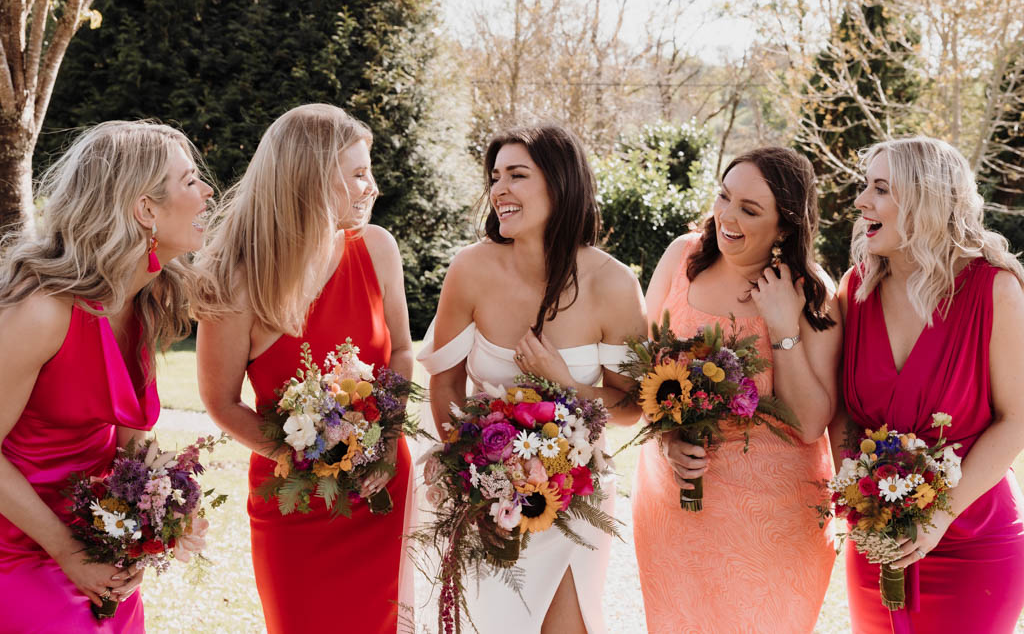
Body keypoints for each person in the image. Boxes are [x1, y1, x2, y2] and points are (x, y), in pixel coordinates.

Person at [192, 104, 415, 634]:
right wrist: (310, 460)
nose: (373, 187)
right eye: (359, 173)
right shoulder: (235, 279)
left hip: (380, 491)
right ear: (310, 178)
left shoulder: (378, 248)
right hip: (293, 506)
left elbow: (403, 352)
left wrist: (384, 442)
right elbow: (221, 402)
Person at [417, 125, 646, 634]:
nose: (500, 189)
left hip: (577, 493)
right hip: (486, 492)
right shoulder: (470, 269)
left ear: (560, 185)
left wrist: (565, 382)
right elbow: (446, 385)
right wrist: (474, 481)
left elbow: (634, 404)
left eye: (517, 175)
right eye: (495, 177)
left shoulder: (613, 283)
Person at [0, 121, 213, 632]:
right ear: (146, 210)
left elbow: (131, 441)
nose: (207, 191)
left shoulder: (142, 298)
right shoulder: (44, 312)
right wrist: (70, 552)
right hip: (18, 553)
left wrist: (163, 515)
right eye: (189, 181)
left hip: (95, 551)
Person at [633, 147, 840, 632]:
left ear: (785, 226)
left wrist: (782, 326)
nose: (727, 216)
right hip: (675, 506)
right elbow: (641, 366)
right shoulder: (683, 256)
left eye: (749, 209)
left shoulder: (814, 293)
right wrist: (666, 436)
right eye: (724, 197)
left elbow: (811, 422)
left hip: (774, 521)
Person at [834, 136, 1024, 632]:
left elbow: (1017, 418)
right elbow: (843, 415)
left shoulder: (994, 289)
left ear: (926, 199)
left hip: (973, 540)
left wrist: (940, 515)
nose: (860, 202)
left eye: (880, 189)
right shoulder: (856, 289)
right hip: (879, 541)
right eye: (864, 186)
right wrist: (859, 498)